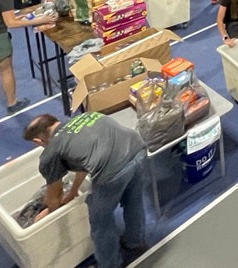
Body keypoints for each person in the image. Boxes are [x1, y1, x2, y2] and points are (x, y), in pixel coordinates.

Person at [23, 112, 146, 268]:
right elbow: (85, 160)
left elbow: (55, 197)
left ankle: (109, 264)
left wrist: (47, 214)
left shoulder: (51, 152)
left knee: (101, 222)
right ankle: (135, 242)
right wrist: (73, 191)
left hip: (112, 173)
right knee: (133, 202)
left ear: (37, 141)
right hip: (138, 149)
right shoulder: (87, 116)